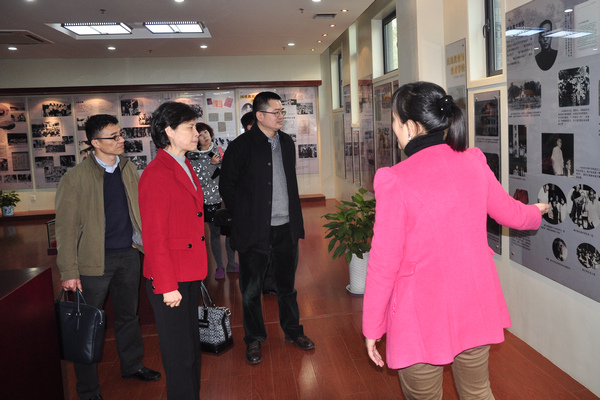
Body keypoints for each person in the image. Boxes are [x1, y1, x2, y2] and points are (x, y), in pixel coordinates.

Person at [362, 82, 549, 399]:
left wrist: (372, 327)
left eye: (394, 120)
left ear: (411, 126)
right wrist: (535, 212)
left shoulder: (395, 179)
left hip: (419, 314)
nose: (393, 129)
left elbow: (383, 263)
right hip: (474, 302)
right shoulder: (473, 161)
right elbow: (510, 213)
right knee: (478, 392)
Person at [55, 114, 161, 400]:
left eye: (120, 134)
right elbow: (65, 230)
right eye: (113, 137)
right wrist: (69, 271)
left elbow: (140, 209)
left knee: (129, 315)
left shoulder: (129, 168)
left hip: (128, 255)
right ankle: (88, 389)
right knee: (87, 325)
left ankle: (132, 365)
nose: (120, 140)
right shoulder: (75, 178)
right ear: (95, 143)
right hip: (93, 263)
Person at [220, 91, 314, 365]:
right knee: (251, 290)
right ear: (260, 115)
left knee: (287, 287)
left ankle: (293, 331)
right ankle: (254, 339)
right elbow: (227, 186)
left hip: (286, 228)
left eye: (282, 111)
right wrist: (246, 217)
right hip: (254, 231)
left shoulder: (286, 142)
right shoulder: (241, 147)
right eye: (276, 112)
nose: (281, 116)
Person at [139, 102, 207, 400]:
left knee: (191, 350)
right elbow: (154, 237)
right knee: (179, 356)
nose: (196, 133)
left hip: (188, 271)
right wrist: (167, 285)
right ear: (168, 131)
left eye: (195, 126)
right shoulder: (156, 173)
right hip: (170, 280)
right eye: (189, 127)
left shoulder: (184, 163)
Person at [187, 122, 238, 280]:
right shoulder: (193, 156)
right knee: (215, 234)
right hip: (208, 201)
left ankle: (232, 264)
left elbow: (229, 174)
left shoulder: (220, 150)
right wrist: (212, 166)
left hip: (225, 198)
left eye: (206, 132)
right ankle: (219, 267)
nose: (204, 136)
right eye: (200, 135)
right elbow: (199, 181)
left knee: (229, 233)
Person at [240, 111, 277, 295]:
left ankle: (269, 284)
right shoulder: (241, 148)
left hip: (271, 210)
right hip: (251, 211)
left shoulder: (272, 146)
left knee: (271, 249)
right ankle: (253, 285)